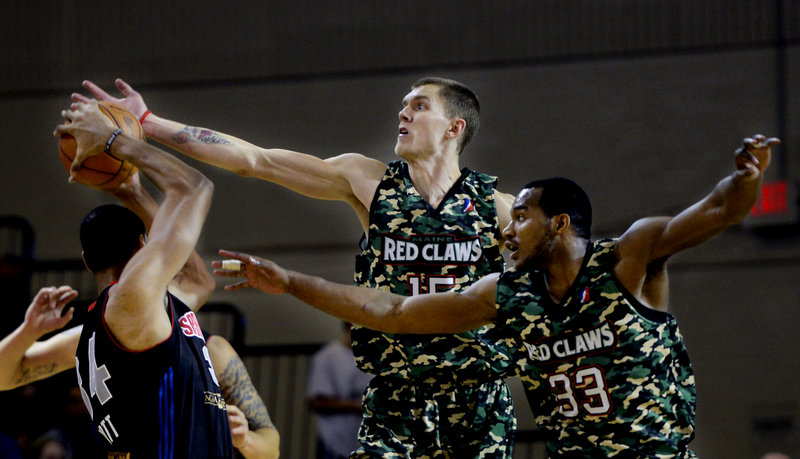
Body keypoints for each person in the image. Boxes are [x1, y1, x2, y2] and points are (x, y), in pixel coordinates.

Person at [213, 134, 779, 457]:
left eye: (522, 217)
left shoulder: (627, 260)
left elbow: (714, 210)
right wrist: (288, 282)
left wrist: (748, 180)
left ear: (559, 224)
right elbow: (391, 310)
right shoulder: (509, 294)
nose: (507, 228)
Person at [74, 76, 518, 457]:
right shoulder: (368, 181)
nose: (403, 113)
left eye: (419, 106)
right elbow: (255, 160)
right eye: (402, 105)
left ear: (454, 128)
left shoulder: (497, 207)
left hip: (477, 395)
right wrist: (148, 122)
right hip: (396, 393)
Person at [0, 104, 280, 457]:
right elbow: (194, 188)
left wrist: (129, 190)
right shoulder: (132, 301)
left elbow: (198, 282)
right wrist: (114, 141)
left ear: (86, 262)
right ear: (143, 245)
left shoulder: (96, 332)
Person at [307, 322, 373, 459]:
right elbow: (317, 402)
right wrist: (356, 406)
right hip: (336, 444)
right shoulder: (327, 356)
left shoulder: (377, 357)